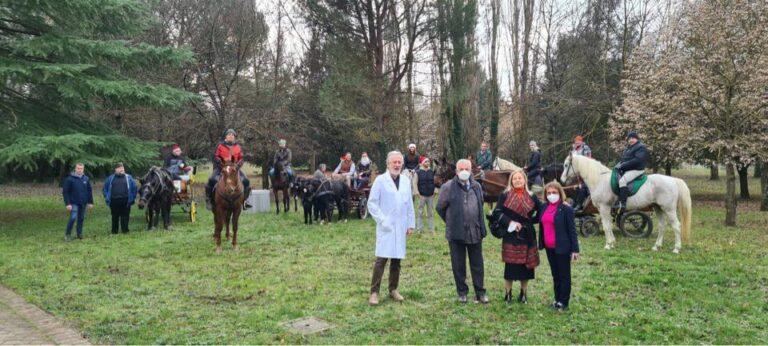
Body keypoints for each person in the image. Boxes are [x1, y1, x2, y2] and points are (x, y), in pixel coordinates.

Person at [366, 151, 415, 306]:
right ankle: (374, 292)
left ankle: (393, 289)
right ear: (388, 164)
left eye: (399, 162)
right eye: (394, 162)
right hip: (386, 226)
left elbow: (409, 204)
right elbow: (372, 203)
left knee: (397, 260)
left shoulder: (406, 181)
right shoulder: (381, 180)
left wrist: (410, 224)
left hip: (400, 225)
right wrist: (382, 220)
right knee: (381, 259)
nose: (397, 165)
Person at [436, 159, 488, 304]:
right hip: (456, 233)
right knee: (458, 264)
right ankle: (462, 292)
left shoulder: (477, 186)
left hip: (475, 231)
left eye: (467, 168)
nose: (464, 171)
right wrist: (452, 221)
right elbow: (440, 208)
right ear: (456, 171)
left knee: (477, 264)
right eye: (461, 169)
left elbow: (480, 204)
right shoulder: (448, 187)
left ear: (471, 170)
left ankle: (480, 292)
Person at [492, 169, 542, 304]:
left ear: (525, 180)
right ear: (511, 181)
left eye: (520, 178)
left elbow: (541, 210)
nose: (517, 180)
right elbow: (497, 213)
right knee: (510, 266)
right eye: (515, 179)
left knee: (526, 267)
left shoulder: (532, 196)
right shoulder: (505, 195)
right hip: (511, 234)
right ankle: (508, 294)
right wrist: (510, 222)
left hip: (527, 235)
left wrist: (531, 221)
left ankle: (523, 294)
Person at [539, 182, 580, 311]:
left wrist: (575, 249)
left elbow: (572, 230)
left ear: (560, 193)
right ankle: (557, 300)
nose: (551, 195)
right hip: (549, 247)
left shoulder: (566, 209)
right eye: (549, 193)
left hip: (562, 247)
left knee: (564, 275)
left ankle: (564, 302)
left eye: (554, 193)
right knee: (555, 275)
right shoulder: (544, 207)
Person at [205, 129, 251, 210]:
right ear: (226, 136)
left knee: (246, 181)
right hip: (221, 169)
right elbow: (215, 156)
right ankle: (209, 200)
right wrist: (219, 161)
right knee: (211, 180)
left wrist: (238, 166)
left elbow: (241, 158)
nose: (231, 136)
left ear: (234, 137)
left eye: (232, 135)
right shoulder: (220, 146)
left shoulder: (238, 147)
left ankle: (245, 201)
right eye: (229, 135)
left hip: (234, 170)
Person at [614, 131, 649, 212]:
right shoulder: (628, 148)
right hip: (628, 169)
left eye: (633, 138)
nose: (631, 140)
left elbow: (637, 160)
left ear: (636, 138)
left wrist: (623, 166)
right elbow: (624, 160)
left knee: (622, 181)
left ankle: (623, 204)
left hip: (636, 169)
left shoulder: (641, 147)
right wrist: (618, 165)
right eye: (629, 138)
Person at [103, 162, 138, 234]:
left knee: (125, 216)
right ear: (116, 169)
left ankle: (125, 230)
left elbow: (134, 188)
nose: (122, 169)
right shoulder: (110, 178)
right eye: (119, 168)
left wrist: (132, 198)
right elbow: (105, 189)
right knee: (114, 217)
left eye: (122, 168)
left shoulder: (129, 178)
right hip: (114, 200)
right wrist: (106, 196)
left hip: (126, 200)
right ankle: (114, 231)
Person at [62, 163, 93, 241]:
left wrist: (90, 202)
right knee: (73, 217)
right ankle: (67, 234)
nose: (80, 170)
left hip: (83, 202)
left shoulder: (86, 178)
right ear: (75, 169)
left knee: (81, 218)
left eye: (81, 168)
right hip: (73, 203)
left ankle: (79, 233)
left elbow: (89, 191)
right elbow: (65, 192)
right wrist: (67, 203)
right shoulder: (70, 179)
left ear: (83, 169)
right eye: (78, 168)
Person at [571, 136, 592, 213]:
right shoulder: (574, 149)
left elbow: (588, 159)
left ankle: (579, 205)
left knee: (582, 187)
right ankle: (575, 203)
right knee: (575, 187)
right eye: (575, 141)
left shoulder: (585, 148)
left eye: (578, 141)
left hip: (586, 169)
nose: (576, 142)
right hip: (578, 171)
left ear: (581, 141)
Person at [415, 157, 436, 234]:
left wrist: (435, 192)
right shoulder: (418, 172)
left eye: (428, 161)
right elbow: (414, 183)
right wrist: (417, 193)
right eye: (426, 161)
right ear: (422, 163)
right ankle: (419, 229)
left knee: (430, 213)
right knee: (420, 213)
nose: (428, 163)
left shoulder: (432, 172)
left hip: (430, 195)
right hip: (421, 195)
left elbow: (435, 182)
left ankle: (431, 229)